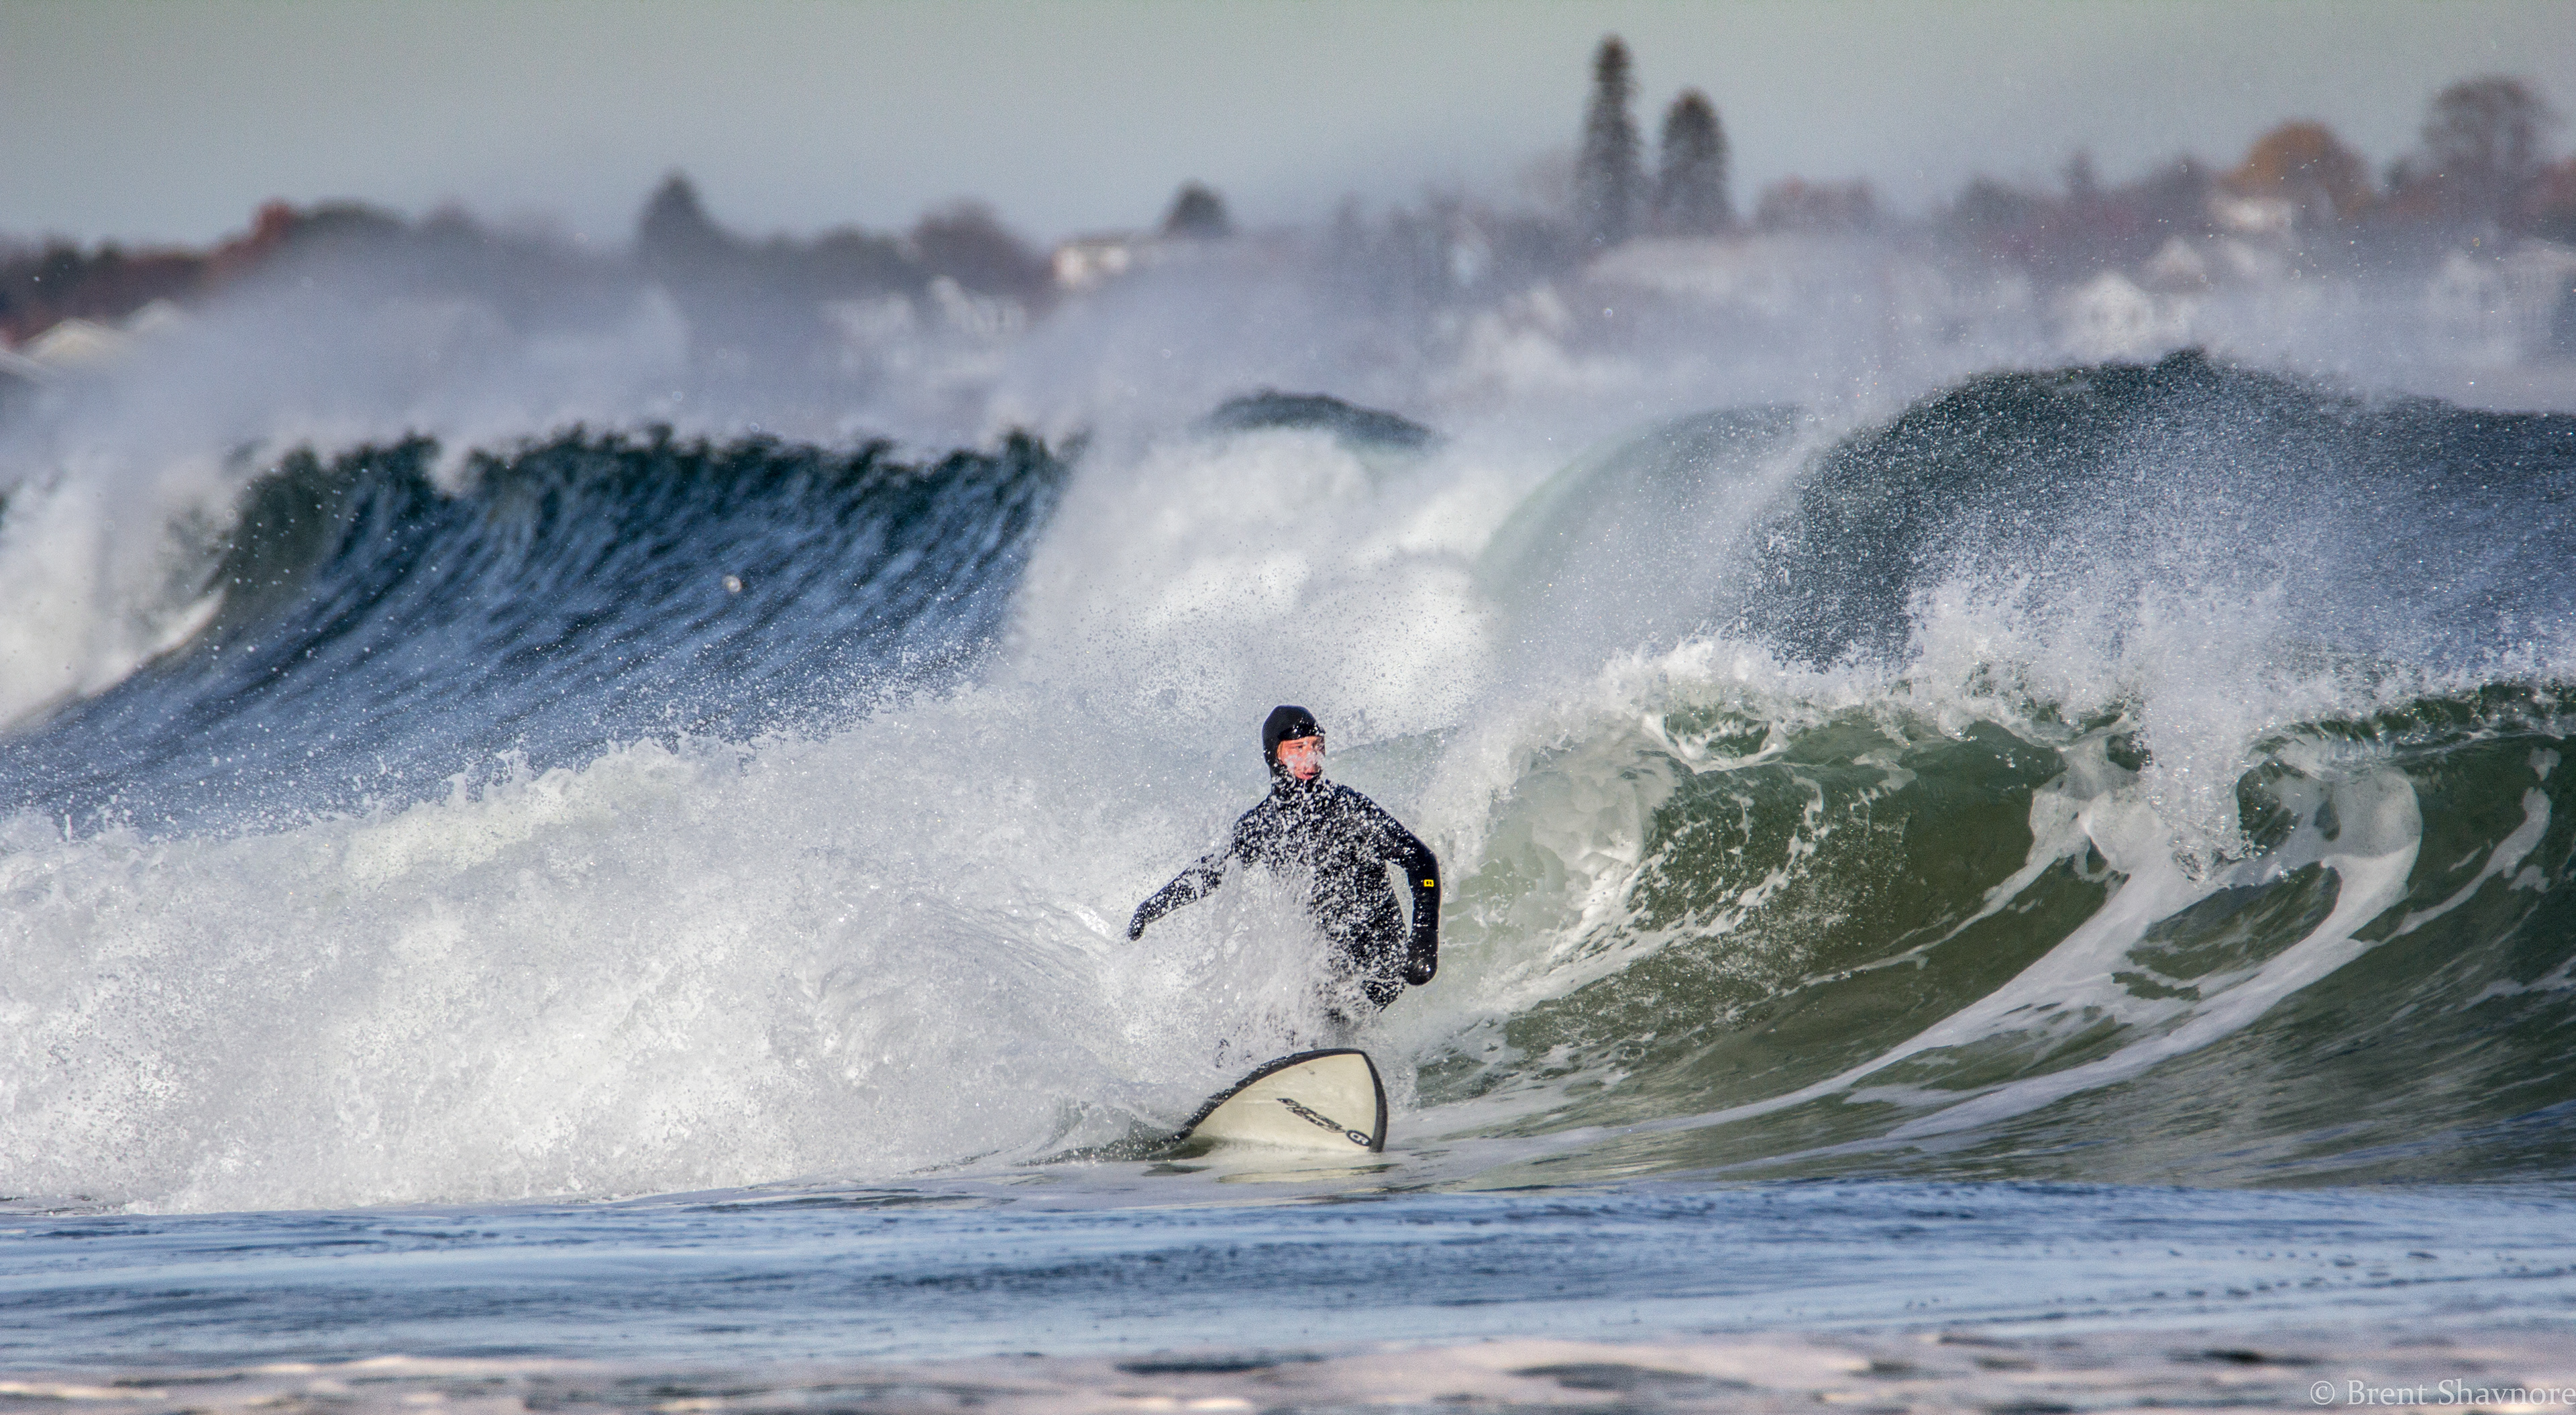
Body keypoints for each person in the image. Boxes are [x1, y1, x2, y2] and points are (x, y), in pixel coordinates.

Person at [1128, 705, 1440, 1012]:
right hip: (1325, 965)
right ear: (1274, 755)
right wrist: (1151, 908)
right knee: (1260, 1023)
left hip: (1377, 960)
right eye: (1298, 748)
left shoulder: (1348, 809)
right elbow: (1213, 872)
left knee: (1315, 1014)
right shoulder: (1263, 824)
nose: (1311, 757)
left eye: (1317, 746)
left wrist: (1424, 934)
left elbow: (1421, 861)